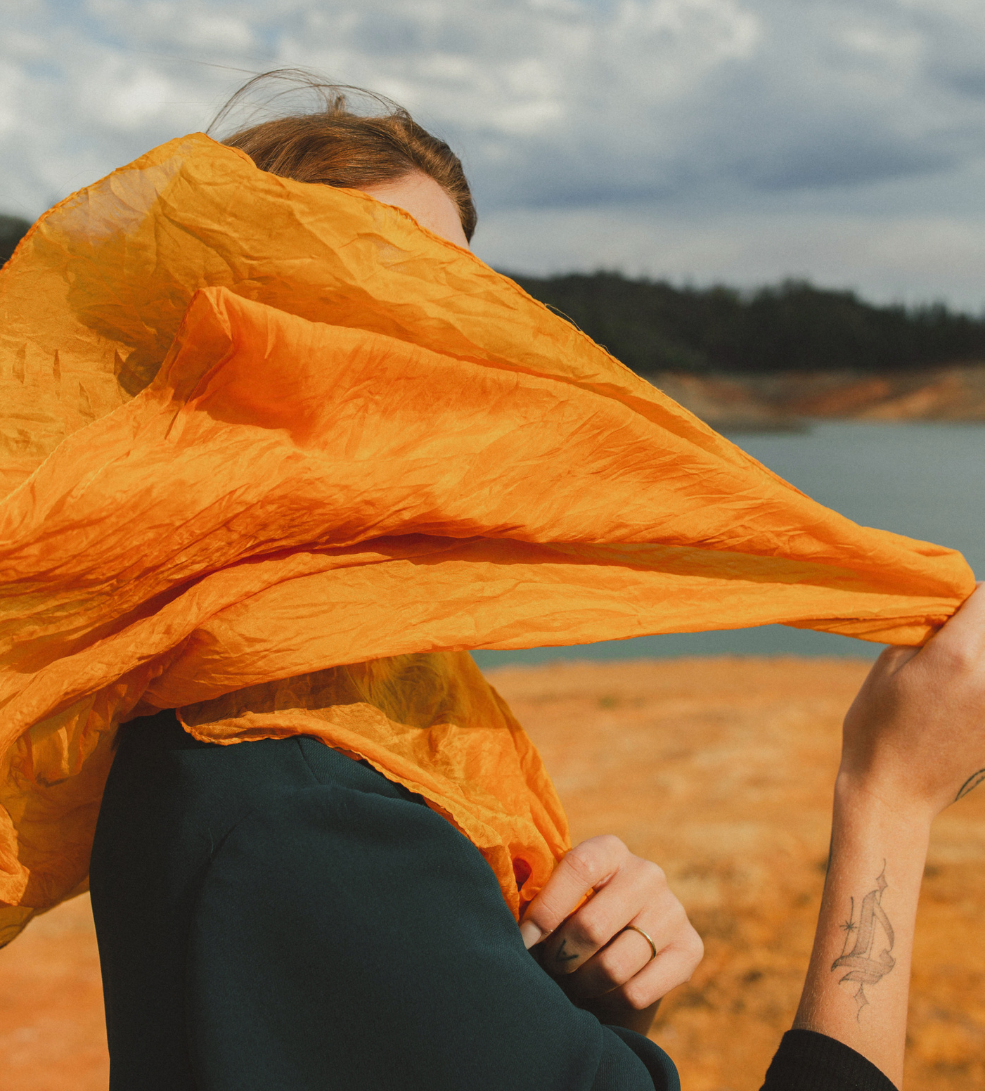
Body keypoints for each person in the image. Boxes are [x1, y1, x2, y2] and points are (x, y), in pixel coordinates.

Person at [82, 75, 985, 1091]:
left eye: (460, 307)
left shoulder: (328, 703)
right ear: (230, 358)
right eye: (367, 301)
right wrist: (891, 799)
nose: (448, 360)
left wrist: (559, 1010)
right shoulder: (300, 804)